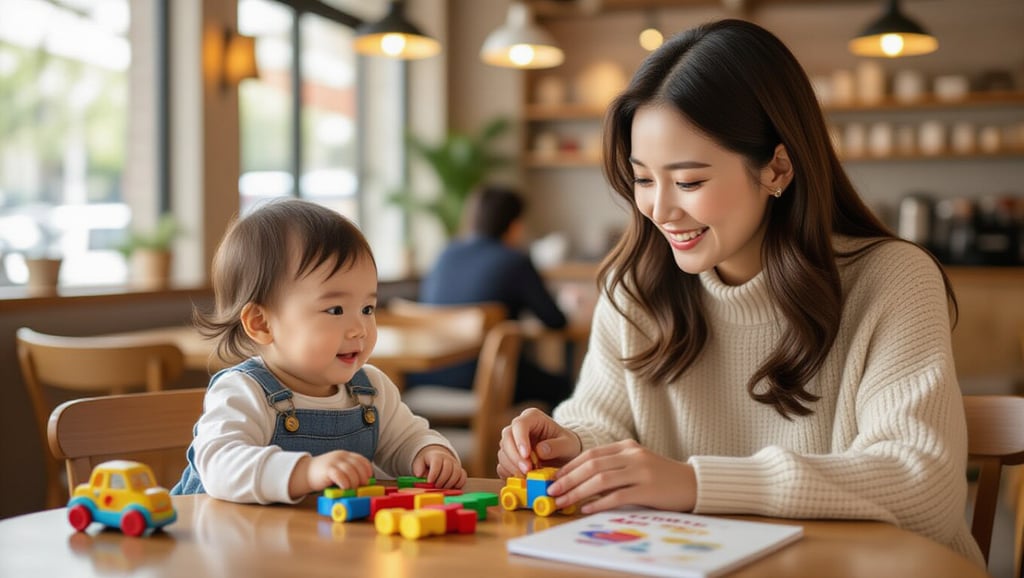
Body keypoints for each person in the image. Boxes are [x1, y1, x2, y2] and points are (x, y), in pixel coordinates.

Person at [496, 19, 984, 567]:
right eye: (642, 178)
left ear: (776, 168)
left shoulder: (892, 280)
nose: (658, 209)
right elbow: (603, 417)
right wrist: (571, 444)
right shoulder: (634, 287)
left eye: (688, 182)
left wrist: (696, 484)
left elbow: (922, 483)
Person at [172, 199, 466, 503]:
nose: (359, 328)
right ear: (261, 323)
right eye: (336, 309)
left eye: (367, 308)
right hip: (222, 542)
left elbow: (405, 438)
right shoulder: (244, 392)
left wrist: (429, 452)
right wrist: (306, 472)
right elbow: (221, 467)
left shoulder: (371, 389)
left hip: (314, 544)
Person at [412, 185, 573, 408]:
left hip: (427, 373)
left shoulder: (446, 253)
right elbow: (555, 321)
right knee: (564, 387)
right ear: (515, 224)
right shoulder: (514, 261)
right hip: (485, 376)